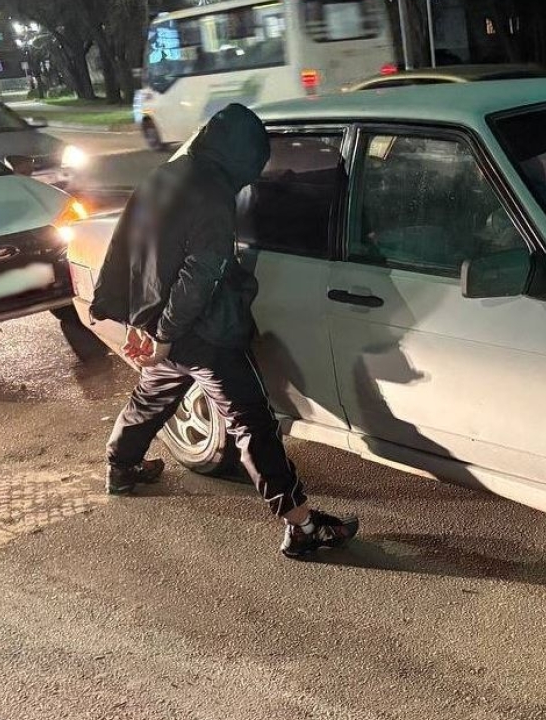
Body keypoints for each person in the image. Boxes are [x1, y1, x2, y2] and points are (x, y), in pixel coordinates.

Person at [90, 103, 359, 559]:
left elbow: (127, 248)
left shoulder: (165, 174)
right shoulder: (212, 194)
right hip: (203, 334)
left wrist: (140, 321)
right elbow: (201, 273)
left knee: (153, 395)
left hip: (159, 322)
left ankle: (121, 468)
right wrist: (168, 334)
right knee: (251, 421)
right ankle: (301, 525)